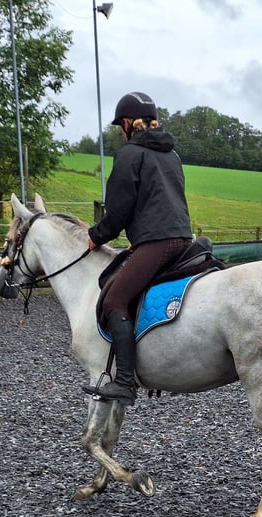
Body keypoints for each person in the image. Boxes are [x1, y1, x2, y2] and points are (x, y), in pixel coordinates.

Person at [83, 92, 193, 406]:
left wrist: (96, 236)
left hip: (159, 241)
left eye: (121, 124)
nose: (120, 130)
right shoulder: (171, 154)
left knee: (115, 298)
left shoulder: (130, 154)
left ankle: (125, 382)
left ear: (130, 123)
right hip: (180, 238)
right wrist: (143, 234)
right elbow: (162, 201)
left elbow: (118, 210)